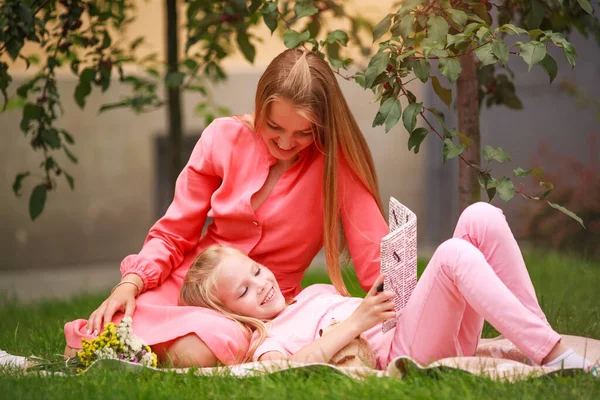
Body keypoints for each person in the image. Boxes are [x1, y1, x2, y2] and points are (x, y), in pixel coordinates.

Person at [63, 48, 389, 367]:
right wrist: (131, 283)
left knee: (204, 347)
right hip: (194, 284)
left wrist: (401, 310)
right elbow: (174, 233)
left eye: (303, 133)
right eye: (274, 127)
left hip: (261, 309)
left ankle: (154, 352)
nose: (287, 143)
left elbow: (377, 257)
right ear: (261, 106)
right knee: (98, 334)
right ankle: (148, 347)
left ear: (321, 125)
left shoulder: (336, 166)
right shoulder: (223, 136)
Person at [178, 206, 597, 373]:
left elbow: (375, 313)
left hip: (415, 331)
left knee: (480, 216)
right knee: (451, 254)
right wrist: (357, 320)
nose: (261, 284)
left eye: (254, 270)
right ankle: (555, 356)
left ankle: (540, 341)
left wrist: (391, 291)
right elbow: (292, 368)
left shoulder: (309, 294)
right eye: (245, 291)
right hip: (405, 357)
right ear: (235, 313)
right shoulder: (269, 341)